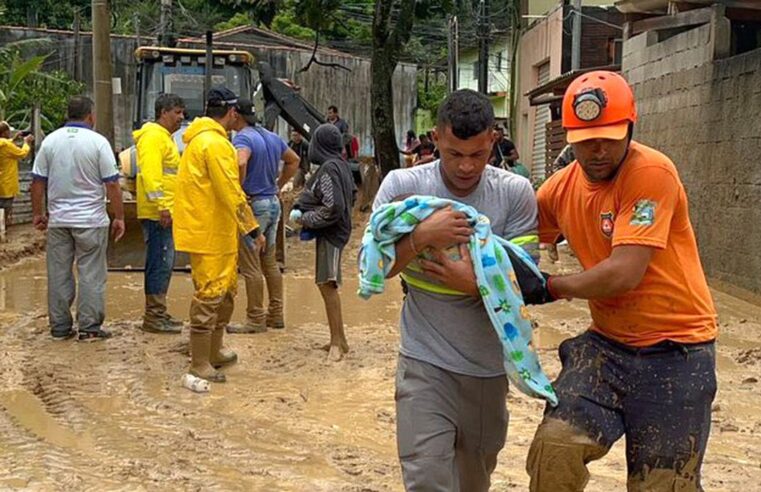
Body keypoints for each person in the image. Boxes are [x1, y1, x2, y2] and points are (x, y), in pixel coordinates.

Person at [527, 71, 718, 491]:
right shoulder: (559, 189)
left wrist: (551, 286)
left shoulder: (651, 174)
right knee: (554, 448)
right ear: (568, 137)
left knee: (664, 484)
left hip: (677, 351)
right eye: (585, 138)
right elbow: (511, 242)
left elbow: (624, 273)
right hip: (607, 347)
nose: (597, 149)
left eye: (609, 137)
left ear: (630, 128)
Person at [373, 89, 540, 491]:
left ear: (493, 141)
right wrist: (420, 237)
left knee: (474, 480)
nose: (466, 167)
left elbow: (529, 284)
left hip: (487, 370)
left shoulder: (514, 193)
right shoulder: (404, 187)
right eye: (453, 154)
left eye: (477, 155)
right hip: (424, 362)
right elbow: (374, 269)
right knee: (426, 478)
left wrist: (474, 284)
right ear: (435, 140)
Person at [172, 87, 263, 383]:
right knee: (210, 296)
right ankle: (199, 361)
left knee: (224, 292)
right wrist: (252, 227)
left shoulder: (200, 141)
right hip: (211, 232)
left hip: (211, 230)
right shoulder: (216, 145)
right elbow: (230, 190)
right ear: (232, 112)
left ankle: (214, 350)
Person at [30, 96, 126, 342]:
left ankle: (60, 328)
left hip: (59, 221)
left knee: (58, 273)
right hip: (91, 221)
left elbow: (37, 182)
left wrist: (38, 214)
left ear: (67, 114)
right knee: (91, 274)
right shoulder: (98, 142)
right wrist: (119, 217)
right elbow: (113, 184)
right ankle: (90, 328)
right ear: (90, 116)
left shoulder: (49, 142)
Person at [227, 99, 300, 334]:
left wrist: (239, 189)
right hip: (273, 203)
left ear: (236, 115)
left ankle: (255, 318)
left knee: (250, 265)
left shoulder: (243, 138)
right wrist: (278, 184)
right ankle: (276, 315)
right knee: (269, 261)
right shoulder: (271, 136)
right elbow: (294, 160)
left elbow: (240, 161)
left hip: (255, 205)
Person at [290, 124, 356, 362]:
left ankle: (338, 343)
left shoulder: (329, 169)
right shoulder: (341, 165)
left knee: (327, 284)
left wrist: (306, 219)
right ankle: (338, 338)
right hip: (337, 230)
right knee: (326, 283)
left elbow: (333, 205)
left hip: (332, 232)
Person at [134, 93, 186, 334]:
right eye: (177, 112)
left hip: (164, 210)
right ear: (163, 112)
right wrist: (163, 206)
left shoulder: (162, 138)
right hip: (158, 213)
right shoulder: (154, 137)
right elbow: (151, 174)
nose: (181, 117)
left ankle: (158, 312)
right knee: (160, 262)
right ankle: (154, 316)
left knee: (164, 262)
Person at [0, 122, 33, 226]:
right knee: (6, 209)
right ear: (5, 132)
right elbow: (22, 153)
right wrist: (26, 143)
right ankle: (3, 230)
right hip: (7, 182)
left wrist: (14, 138)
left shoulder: (3, 144)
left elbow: (6, 145)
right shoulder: (7, 145)